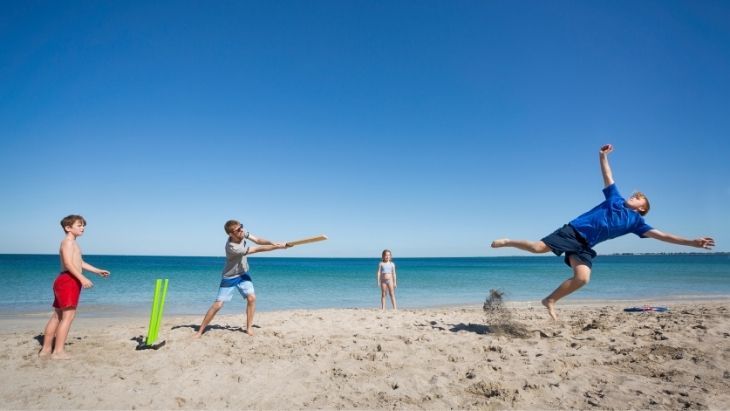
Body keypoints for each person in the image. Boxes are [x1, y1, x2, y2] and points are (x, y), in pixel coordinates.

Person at [491, 144, 715, 320]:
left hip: (585, 246)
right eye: (635, 194)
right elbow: (608, 175)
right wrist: (602, 156)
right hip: (573, 231)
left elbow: (664, 236)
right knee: (538, 248)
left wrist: (692, 243)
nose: (634, 196)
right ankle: (509, 241)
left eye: (639, 197)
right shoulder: (615, 198)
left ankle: (550, 300)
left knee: (582, 279)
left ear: (642, 208)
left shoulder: (636, 223)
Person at [194, 220, 288, 337]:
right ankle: (200, 331)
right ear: (231, 234)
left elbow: (258, 240)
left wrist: (273, 243)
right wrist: (277, 247)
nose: (242, 230)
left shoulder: (242, 233)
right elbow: (256, 249)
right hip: (230, 276)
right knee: (218, 304)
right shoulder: (232, 248)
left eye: (241, 227)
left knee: (252, 298)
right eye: (238, 230)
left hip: (243, 274)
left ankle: (248, 328)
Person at [39, 215, 110, 359]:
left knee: (57, 316)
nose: (83, 228)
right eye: (79, 225)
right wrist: (82, 278)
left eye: (83, 225)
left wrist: (97, 271)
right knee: (68, 316)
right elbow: (68, 264)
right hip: (68, 280)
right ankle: (58, 352)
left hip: (65, 280)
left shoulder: (73, 244)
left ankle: (46, 350)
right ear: (68, 228)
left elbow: (80, 262)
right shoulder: (68, 242)